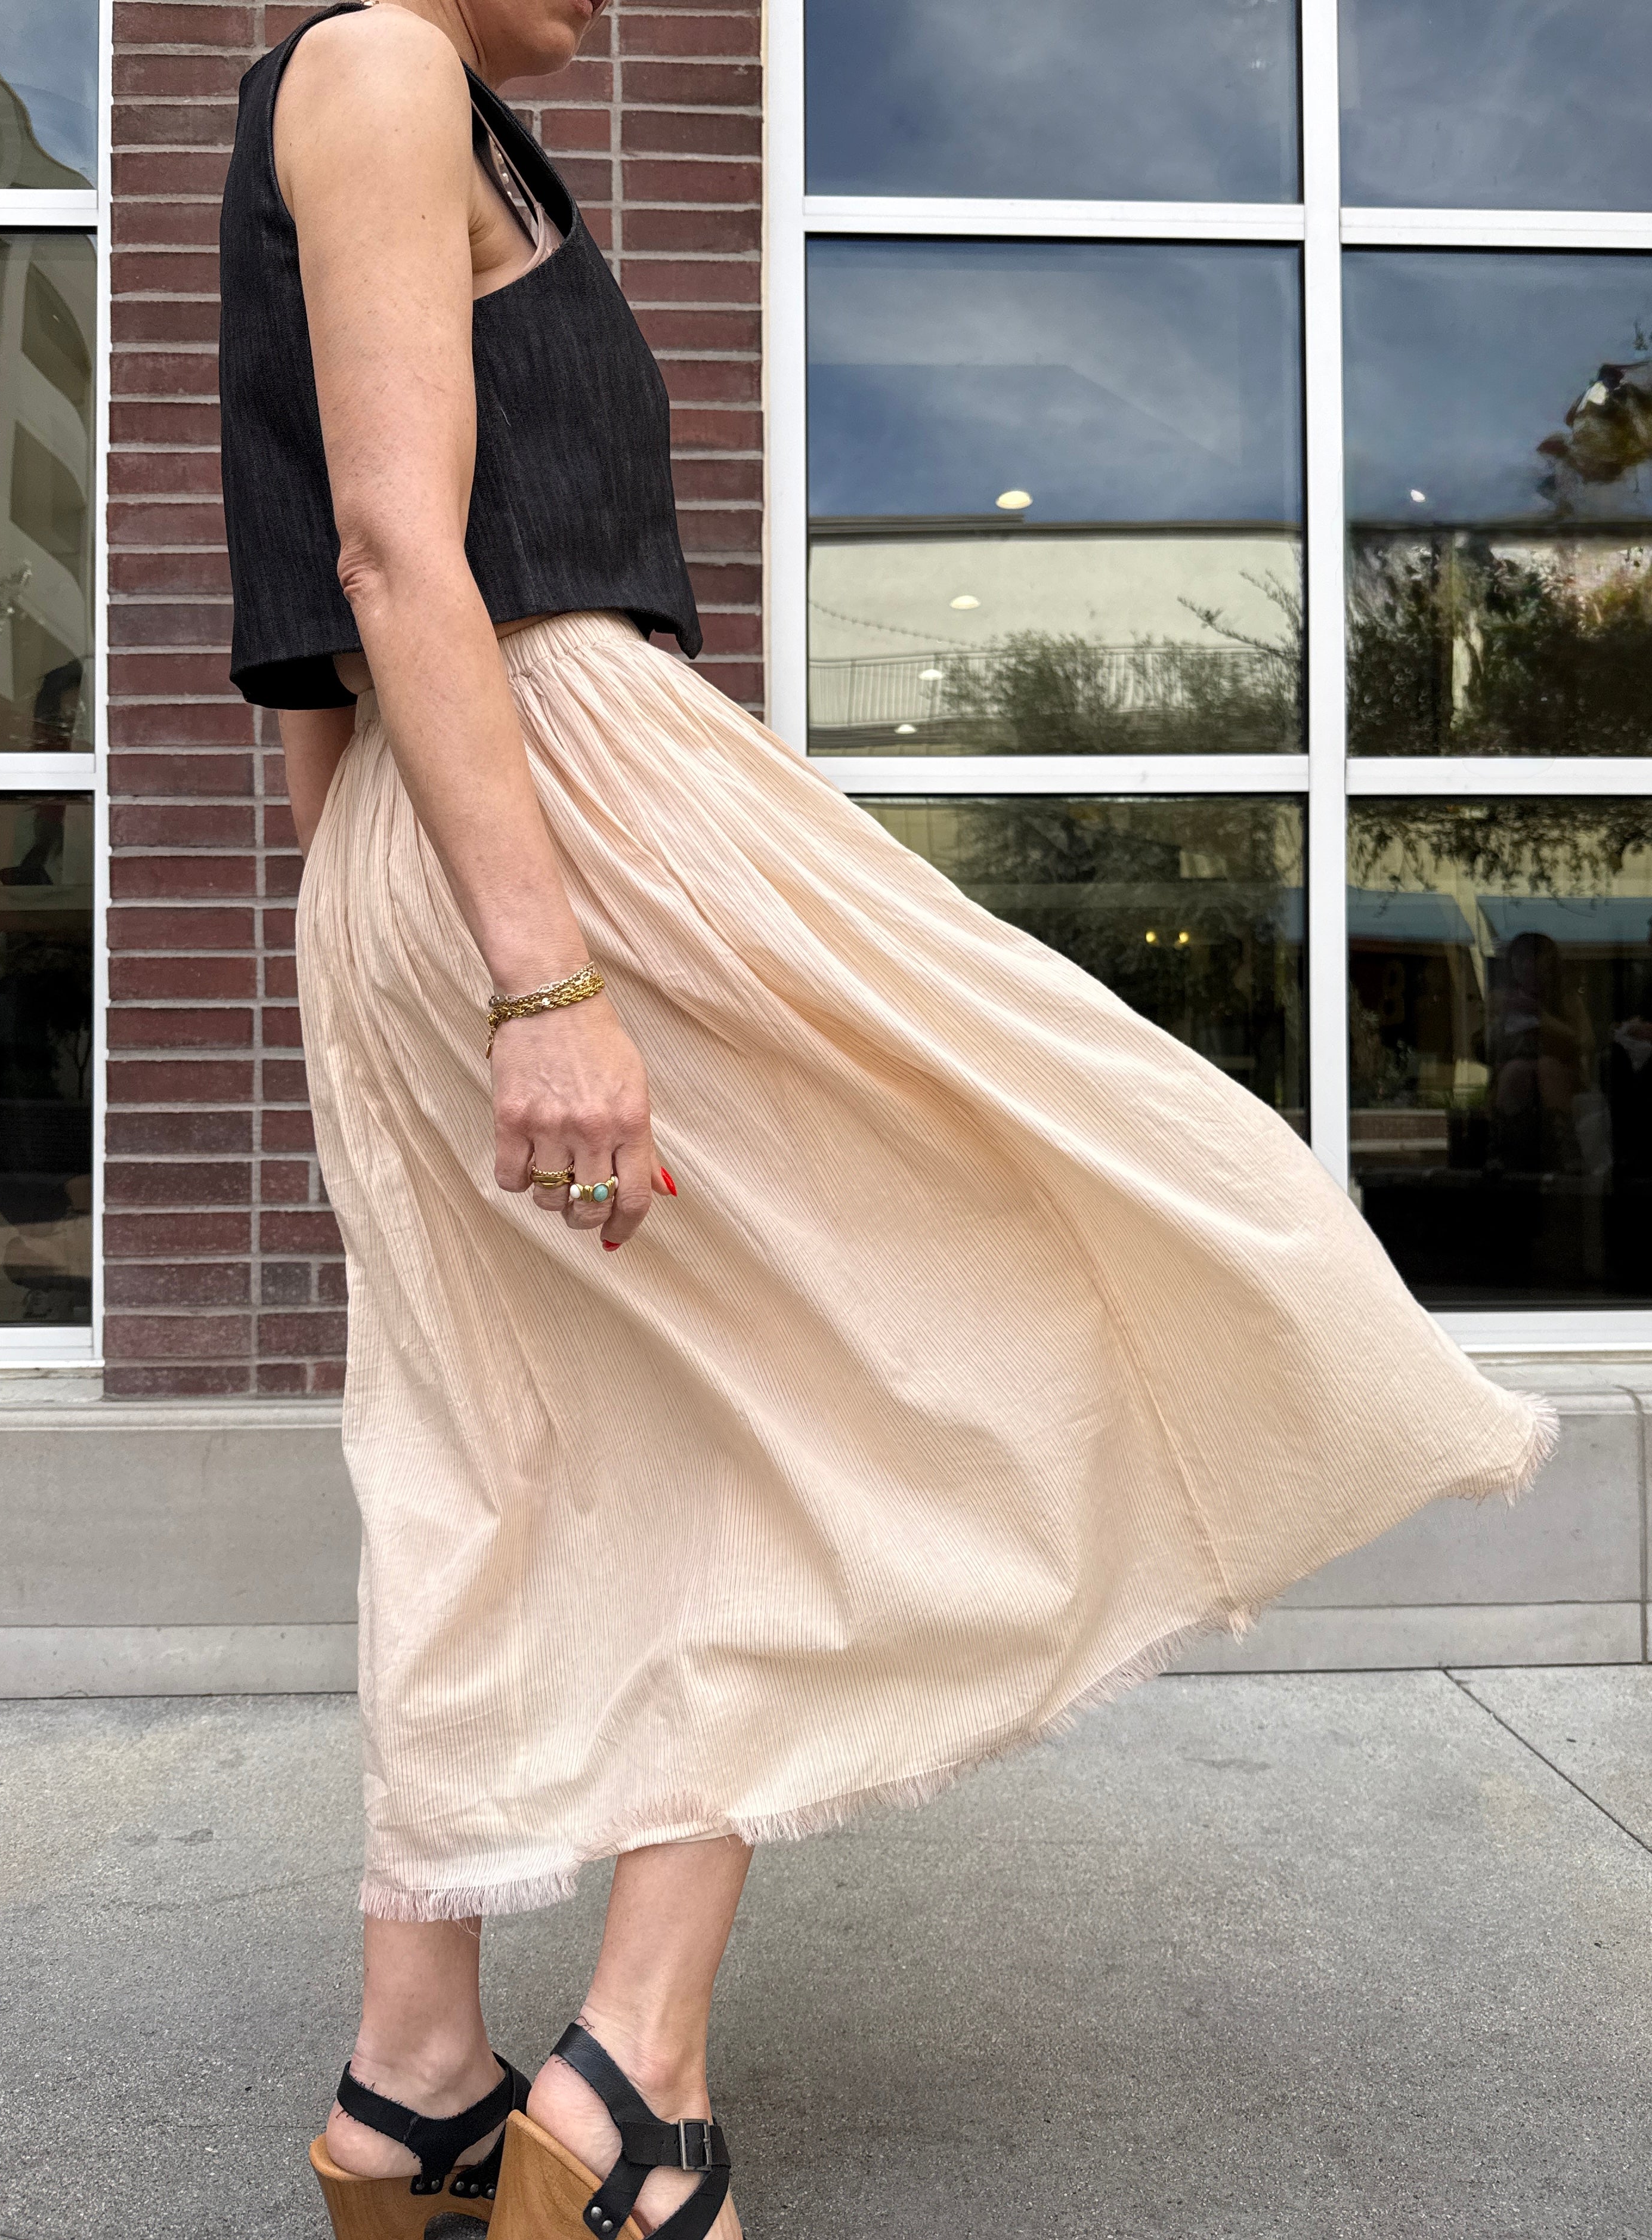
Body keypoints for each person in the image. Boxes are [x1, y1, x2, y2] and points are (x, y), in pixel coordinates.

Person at [215, 4, 1558, 2234]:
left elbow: (313, 621)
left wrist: (379, 950)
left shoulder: (408, 114)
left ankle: (418, 2072)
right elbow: (381, 546)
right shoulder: (378, 60)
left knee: (502, 1452)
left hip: (419, 829)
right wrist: (540, 976)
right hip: (558, 809)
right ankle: (627, 2079)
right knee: (835, 1381)